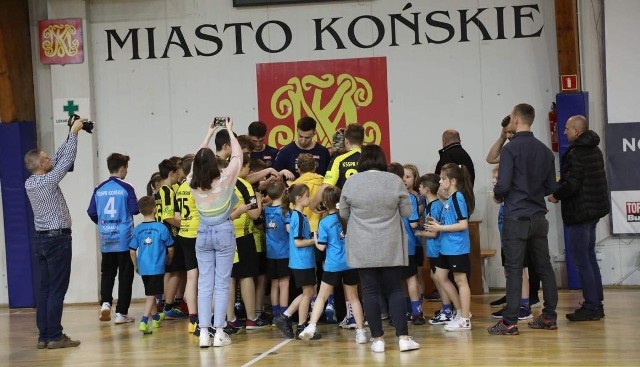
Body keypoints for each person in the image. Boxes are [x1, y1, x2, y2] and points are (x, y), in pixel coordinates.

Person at [339, 144, 420, 353]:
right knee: (394, 289)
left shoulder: (351, 182)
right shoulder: (394, 180)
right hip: (390, 243)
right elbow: (406, 211)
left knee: (369, 291)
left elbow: (344, 214)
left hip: (362, 245)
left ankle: (377, 340)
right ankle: (403, 338)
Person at [488, 103, 559, 335]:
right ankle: (549, 317)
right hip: (538, 216)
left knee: (515, 269)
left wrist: (498, 194)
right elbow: (551, 187)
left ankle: (509, 322)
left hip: (516, 216)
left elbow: (504, 183)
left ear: (516, 119)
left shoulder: (510, 150)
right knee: (544, 267)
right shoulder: (545, 151)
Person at [24, 115, 87, 349]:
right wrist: (74, 135)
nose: (50, 158)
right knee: (57, 289)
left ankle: (44, 336)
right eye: (46, 158)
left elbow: (59, 159)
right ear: (41, 164)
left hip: (41, 240)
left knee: (45, 289)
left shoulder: (31, 182)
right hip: (57, 239)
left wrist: (70, 132)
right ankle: (55, 336)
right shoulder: (47, 181)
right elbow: (65, 160)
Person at [547, 115, 609, 321]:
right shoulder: (595, 150)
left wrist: (556, 195)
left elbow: (572, 185)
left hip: (580, 212)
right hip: (593, 211)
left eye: (566, 128)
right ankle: (596, 302)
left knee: (582, 259)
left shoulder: (575, 154)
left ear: (576, 131)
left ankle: (592, 306)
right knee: (589, 256)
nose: (563, 132)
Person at [189, 118, 242, 348]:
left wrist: (208, 134)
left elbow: (194, 163)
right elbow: (238, 156)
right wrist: (229, 131)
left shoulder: (192, 182)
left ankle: (203, 333)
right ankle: (219, 332)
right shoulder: (225, 180)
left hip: (202, 233)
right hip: (223, 232)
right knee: (222, 284)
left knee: (204, 284)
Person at [298, 186, 368, 344]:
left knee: (321, 297)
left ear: (324, 203)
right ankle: (361, 332)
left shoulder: (324, 222)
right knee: (354, 298)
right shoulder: (349, 217)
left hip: (333, 265)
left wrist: (315, 237)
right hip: (350, 263)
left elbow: (321, 247)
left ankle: (311, 327)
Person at [486, 116, 541, 310]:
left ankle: (525, 302)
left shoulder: (526, 149)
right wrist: (501, 137)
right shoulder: (508, 150)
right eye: (506, 133)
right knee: (511, 262)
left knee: (523, 263)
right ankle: (515, 299)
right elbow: (490, 158)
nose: (509, 136)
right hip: (509, 212)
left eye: (511, 132)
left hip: (525, 212)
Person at [88, 152, 139, 324]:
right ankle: (121, 313)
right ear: (122, 168)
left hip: (106, 238)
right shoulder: (127, 187)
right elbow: (135, 209)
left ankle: (105, 304)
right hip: (124, 239)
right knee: (125, 275)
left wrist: (104, 223)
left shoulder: (99, 188)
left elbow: (92, 212)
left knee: (107, 273)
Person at [426, 163, 475, 331]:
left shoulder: (458, 197)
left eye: (442, 179)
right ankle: (461, 311)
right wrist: (437, 224)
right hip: (446, 247)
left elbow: (462, 224)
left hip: (457, 247)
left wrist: (440, 228)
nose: (440, 182)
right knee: (439, 276)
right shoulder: (449, 200)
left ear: (452, 181)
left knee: (461, 281)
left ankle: (465, 319)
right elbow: (451, 222)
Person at [273, 184, 319, 340]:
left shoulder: (300, 216)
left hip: (304, 261)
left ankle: (287, 317)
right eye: (307, 195)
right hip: (302, 261)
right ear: (299, 198)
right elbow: (298, 242)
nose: (310, 198)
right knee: (307, 293)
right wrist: (314, 240)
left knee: (308, 292)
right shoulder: (297, 217)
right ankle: (300, 325)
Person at [129, 196, 174, 334]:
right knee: (151, 294)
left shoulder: (137, 230)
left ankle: (155, 318)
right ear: (155, 209)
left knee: (151, 292)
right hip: (157, 266)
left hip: (143, 267)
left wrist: (135, 265)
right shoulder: (161, 228)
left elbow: (132, 250)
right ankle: (143, 321)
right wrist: (169, 258)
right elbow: (171, 247)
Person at [175, 154, 201, 333]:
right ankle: (205, 316)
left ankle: (193, 318)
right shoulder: (196, 187)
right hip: (198, 234)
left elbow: (177, 217)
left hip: (184, 233)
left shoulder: (180, 188)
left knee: (191, 276)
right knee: (204, 277)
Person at [263, 181, 291, 319]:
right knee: (284, 284)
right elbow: (288, 229)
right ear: (284, 192)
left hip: (270, 253)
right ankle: (284, 315)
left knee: (274, 284)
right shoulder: (285, 211)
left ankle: (275, 315)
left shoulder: (266, 210)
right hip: (284, 252)